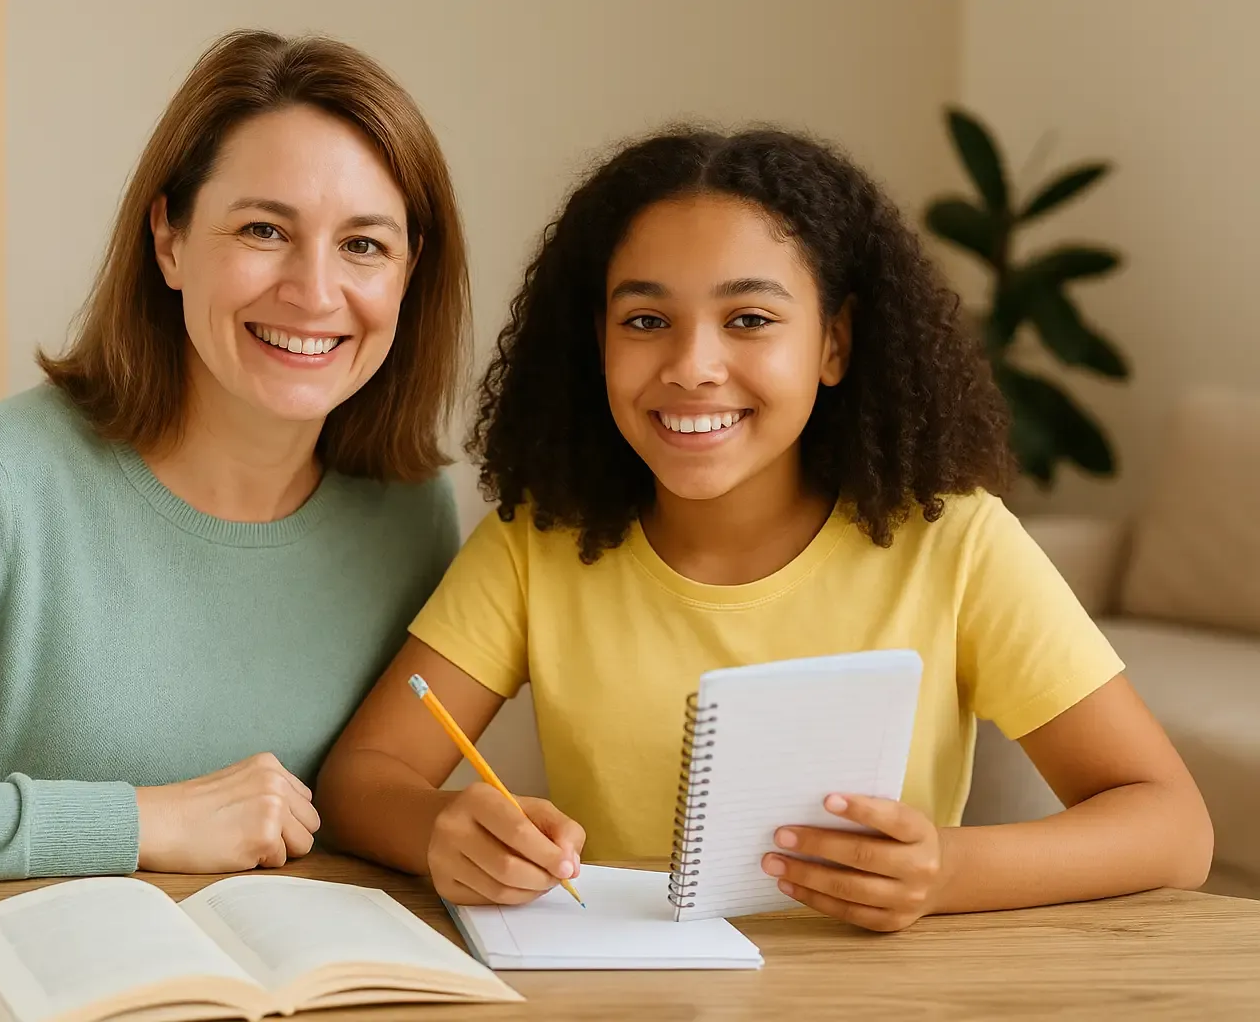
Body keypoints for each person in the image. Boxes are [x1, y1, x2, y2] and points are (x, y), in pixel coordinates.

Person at [315, 126, 1213, 932]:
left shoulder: (956, 543)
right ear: (597, 343)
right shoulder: (535, 544)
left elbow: (1172, 825)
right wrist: (442, 826)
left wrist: (949, 869)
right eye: (646, 320)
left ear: (834, 343)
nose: (693, 365)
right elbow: (365, 775)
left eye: (749, 320)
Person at [0, 29, 469, 887]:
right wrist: (135, 821)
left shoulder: (412, 515)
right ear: (171, 241)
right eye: (265, 229)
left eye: (365, 245)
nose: (313, 290)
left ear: (411, 276)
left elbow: (348, 807)